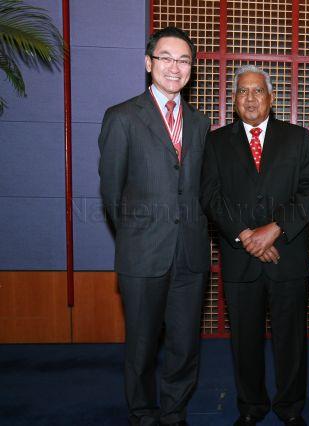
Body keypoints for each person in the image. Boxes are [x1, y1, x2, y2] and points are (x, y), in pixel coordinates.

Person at [98, 27, 211, 426]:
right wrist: (138, 232)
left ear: (192, 69)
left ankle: (174, 412)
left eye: (183, 60)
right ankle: (144, 414)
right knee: (142, 347)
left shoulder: (200, 124)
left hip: (190, 254)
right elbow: (111, 194)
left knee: (184, 345)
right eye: (165, 58)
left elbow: (199, 189)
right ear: (149, 64)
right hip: (143, 253)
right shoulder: (122, 117)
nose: (174, 67)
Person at [200, 65, 309, 426]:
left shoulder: (297, 137)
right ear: (233, 100)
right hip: (240, 259)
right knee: (244, 340)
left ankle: (290, 407)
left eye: (257, 91)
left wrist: (276, 229)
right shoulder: (217, 141)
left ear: (271, 98)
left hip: (287, 255)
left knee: (291, 340)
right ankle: (251, 406)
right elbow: (210, 195)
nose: (250, 97)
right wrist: (246, 235)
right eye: (242, 91)